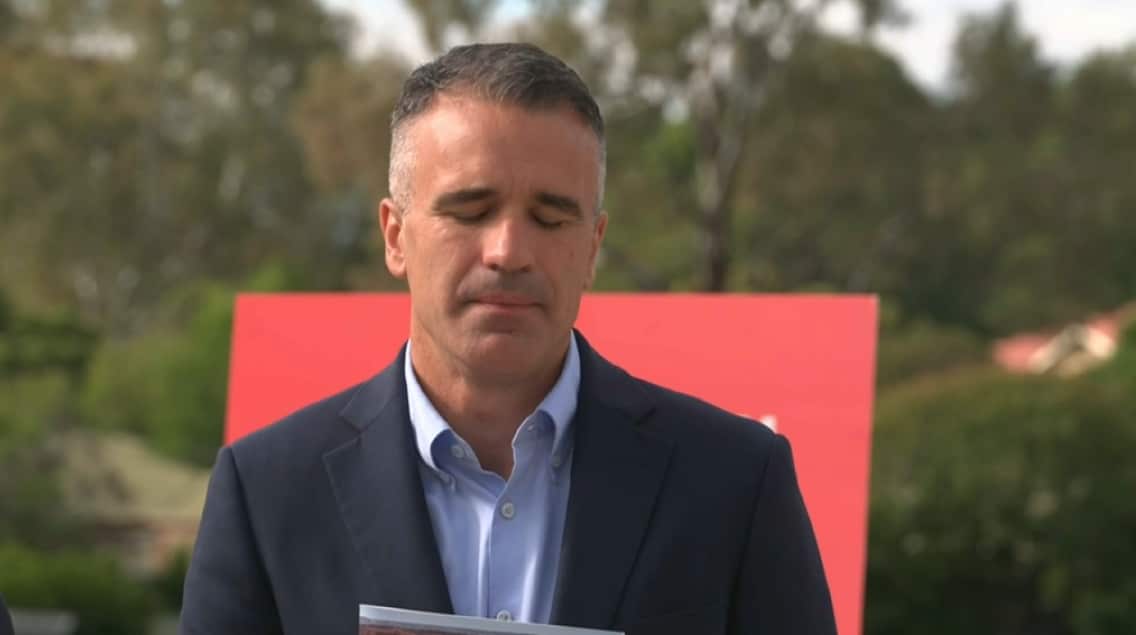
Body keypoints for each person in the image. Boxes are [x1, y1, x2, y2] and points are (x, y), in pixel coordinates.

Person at [180, 42, 836, 635]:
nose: (508, 250)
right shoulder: (267, 490)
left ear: (593, 248)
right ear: (394, 235)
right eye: (470, 211)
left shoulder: (737, 482)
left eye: (551, 218)